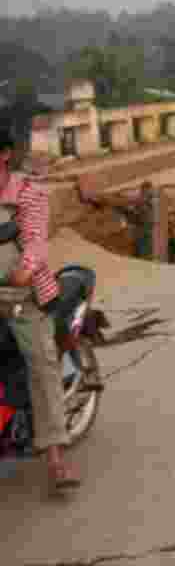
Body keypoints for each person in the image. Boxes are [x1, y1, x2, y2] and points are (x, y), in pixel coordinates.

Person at [0, 129, 80, 493]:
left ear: (4, 154)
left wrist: (24, 271)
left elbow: (35, 242)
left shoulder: (28, 193)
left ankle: (55, 458)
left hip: (21, 293)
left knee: (41, 361)